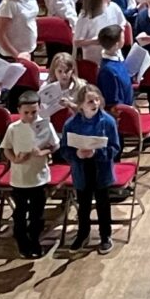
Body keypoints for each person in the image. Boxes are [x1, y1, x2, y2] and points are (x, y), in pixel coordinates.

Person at [60, 81, 121, 254]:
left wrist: (96, 153)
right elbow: (65, 149)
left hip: (101, 168)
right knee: (84, 204)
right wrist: (76, 155)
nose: (94, 104)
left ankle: (105, 235)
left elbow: (115, 148)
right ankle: (83, 233)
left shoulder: (107, 122)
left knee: (103, 204)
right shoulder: (71, 124)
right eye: (89, 101)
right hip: (81, 169)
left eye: (96, 100)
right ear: (80, 105)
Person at [3, 99, 58, 256]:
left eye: (34, 112)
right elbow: (6, 148)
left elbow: (54, 145)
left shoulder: (46, 125)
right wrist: (14, 159)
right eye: (26, 112)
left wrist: (43, 152)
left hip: (38, 177)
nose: (30, 116)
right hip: (19, 178)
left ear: (39, 109)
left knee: (37, 214)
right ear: (19, 110)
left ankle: (34, 240)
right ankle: (22, 241)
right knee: (20, 212)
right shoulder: (13, 128)